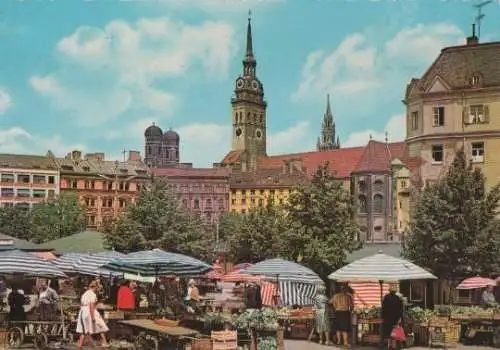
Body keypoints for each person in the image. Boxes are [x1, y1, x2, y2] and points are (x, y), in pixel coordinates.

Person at [76, 281, 110, 348]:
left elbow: (82, 304)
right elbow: (91, 305)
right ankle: (103, 342)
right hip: (89, 311)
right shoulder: (92, 294)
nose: (98, 290)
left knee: (85, 330)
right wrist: (93, 317)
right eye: (98, 288)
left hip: (83, 311)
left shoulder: (85, 293)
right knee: (101, 325)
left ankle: (83, 344)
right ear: (95, 287)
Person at [382, 284, 404, 350]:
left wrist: (383, 317)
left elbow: (383, 308)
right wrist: (400, 318)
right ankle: (393, 347)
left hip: (387, 318)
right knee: (394, 333)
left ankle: (389, 346)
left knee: (388, 333)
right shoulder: (398, 298)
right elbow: (401, 310)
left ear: (389, 291)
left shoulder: (386, 297)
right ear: (395, 292)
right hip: (395, 318)